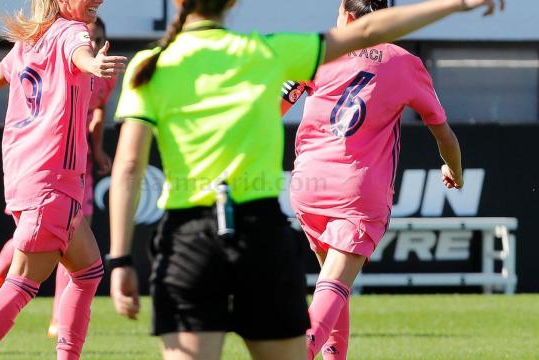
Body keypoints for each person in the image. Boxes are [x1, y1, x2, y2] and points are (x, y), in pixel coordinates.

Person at [107, 0, 503, 359]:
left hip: (220, 221)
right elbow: (372, 38)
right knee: (329, 294)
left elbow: (127, 168)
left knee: (331, 291)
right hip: (290, 216)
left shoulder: (149, 65)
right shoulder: (267, 50)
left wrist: (121, 258)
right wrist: (458, 4)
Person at [281, 1, 483, 358]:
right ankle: (297, 353)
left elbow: (274, 105)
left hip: (307, 185)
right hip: (356, 191)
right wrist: (454, 169)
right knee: (334, 287)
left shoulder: (318, 50)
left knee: (333, 286)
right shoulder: (404, 63)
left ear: (346, 16)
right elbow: (444, 136)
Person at [0, 0, 126, 358]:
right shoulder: (72, 32)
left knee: (87, 272)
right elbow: (80, 53)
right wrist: (94, 64)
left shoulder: (32, 39)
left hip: (31, 177)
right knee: (20, 286)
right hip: (53, 181)